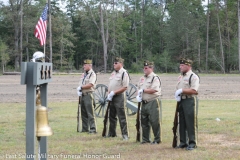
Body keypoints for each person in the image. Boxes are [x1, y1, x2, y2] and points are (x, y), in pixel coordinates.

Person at [174, 58, 200, 150]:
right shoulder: (181, 77)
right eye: (180, 65)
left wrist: (182, 91)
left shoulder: (193, 76)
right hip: (182, 100)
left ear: (188, 66)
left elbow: (194, 90)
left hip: (190, 100)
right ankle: (183, 142)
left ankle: (192, 143)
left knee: (191, 122)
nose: (180, 67)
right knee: (182, 122)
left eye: (182, 65)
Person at [136, 61, 162, 144]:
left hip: (153, 101)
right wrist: (139, 95)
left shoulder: (155, 78)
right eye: (144, 68)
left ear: (151, 68)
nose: (144, 69)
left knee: (154, 121)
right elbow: (138, 88)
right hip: (144, 102)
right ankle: (145, 139)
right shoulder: (142, 78)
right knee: (144, 121)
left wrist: (143, 90)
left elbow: (154, 90)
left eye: (146, 68)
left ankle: (157, 139)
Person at [106, 57, 130, 140]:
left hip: (119, 96)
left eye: (116, 63)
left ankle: (125, 135)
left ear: (121, 64)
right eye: (114, 63)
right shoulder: (113, 73)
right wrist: (109, 93)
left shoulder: (124, 73)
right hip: (111, 97)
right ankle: (112, 133)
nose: (114, 64)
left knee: (122, 116)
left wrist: (114, 92)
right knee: (111, 116)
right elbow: (110, 84)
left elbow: (125, 87)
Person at [77, 59, 97, 134]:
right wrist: (79, 90)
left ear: (90, 65)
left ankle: (93, 129)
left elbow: (90, 84)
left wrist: (81, 88)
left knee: (90, 113)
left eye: (85, 65)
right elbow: (81, 83)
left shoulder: (92, 74)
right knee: (83, 113)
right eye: (84, 65)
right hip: (83, 95)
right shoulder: (84, 74)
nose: (84, 66)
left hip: (88, 95)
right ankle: (85, 128)